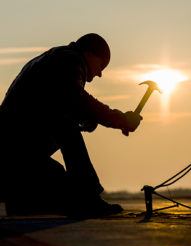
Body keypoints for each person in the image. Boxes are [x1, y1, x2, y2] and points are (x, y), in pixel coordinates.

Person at [0, 33, 142, 217]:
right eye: (102, 65)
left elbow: (57, 105)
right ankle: (88, 197)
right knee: (67, 128)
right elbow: (79, 101)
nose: (99, 73)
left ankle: (22, 201)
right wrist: (120, 119)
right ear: (90, 54)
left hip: (15, 157)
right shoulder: (68, 60)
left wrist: (88, 119)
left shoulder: (54, 60)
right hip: (15, 158)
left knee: (59, 181)